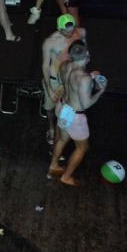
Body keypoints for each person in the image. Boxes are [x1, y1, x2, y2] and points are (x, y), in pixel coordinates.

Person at [48, 42, 105, 187]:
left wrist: (90, 76)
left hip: (62, 108)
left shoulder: (65, 65)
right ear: (88, 55)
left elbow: (70, 79)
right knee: (82, 148)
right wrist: (100, 91)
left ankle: (54, 165)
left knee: (62, 140)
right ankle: (66, 177)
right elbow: (86, 104)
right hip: (75, 117)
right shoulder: (84, 79)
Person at [41, 14, 87, 145]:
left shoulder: (81, 32)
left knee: (67, 107)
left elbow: (84, 52)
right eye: (66, 32)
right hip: (55, 80)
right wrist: (49, 88)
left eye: (72, 30)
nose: (70, 34)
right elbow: (45, 66)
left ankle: (61, 131)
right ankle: (51, 128)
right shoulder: (50, 42)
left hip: (70, 79)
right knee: (50, 106)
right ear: (59, 29)